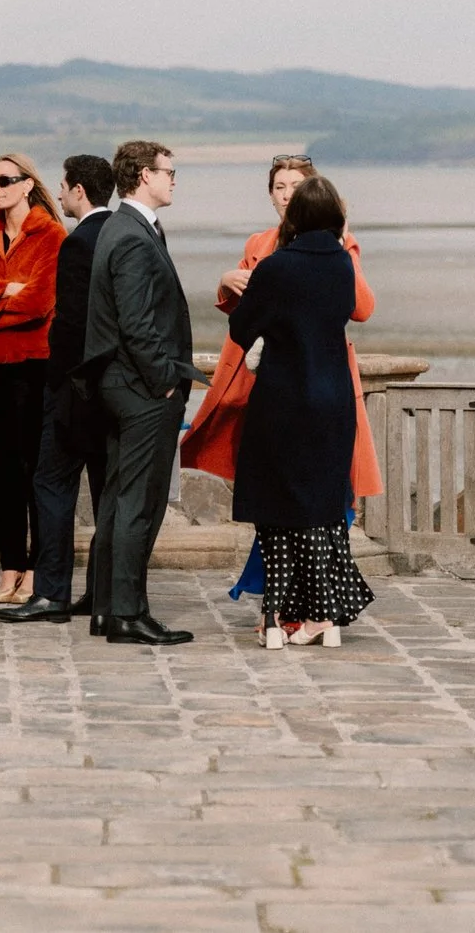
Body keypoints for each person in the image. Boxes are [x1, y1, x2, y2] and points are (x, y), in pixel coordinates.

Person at [183, 153, 381, 611]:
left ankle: (297, 605)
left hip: (306, 380)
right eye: (278, 186)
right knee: (278, 496)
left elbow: (362, 308)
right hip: (262, 382)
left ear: (313, 195)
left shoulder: (339, 245)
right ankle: (298, 605)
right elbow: (243, 313)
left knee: (309, 498)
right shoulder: (259, 242)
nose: (286, 194)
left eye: (295, 186)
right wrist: (225, 282)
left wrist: (346, 243)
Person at [222, 174, 375, 648]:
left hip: (282, 402)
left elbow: (243, 330)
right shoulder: (342, 266)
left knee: (277, 511)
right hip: (333, 402)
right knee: (324, 511)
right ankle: (324, 618)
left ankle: (274, 620)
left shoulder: (275, 267)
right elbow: (357, 310)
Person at [81, 139, 199, 647]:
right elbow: (136, 323)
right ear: (143, 176)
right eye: (168, 171)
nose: (173, 179)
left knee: (116, 500)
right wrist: (166, 380)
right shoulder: (130, 234)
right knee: (138, 503)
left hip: (121, 387)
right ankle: (127, 612)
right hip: (139, 389)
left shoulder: (125, 227)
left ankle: (108, 608)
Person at [0, 154, 115, 626]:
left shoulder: (79, 241)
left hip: (73, 390)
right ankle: (103, 594)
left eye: (64, 188)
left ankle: (51, 593)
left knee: (50, 485)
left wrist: (56, 383)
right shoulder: (128, 233)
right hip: (113, 390)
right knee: (107, 492)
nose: (60, 195)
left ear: (81, 191)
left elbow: (68, 325)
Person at [0, 151, 64, 605]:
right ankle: (10, 566)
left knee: (33, 469)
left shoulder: (52, 236)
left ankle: (37, 570)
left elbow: (41, 302)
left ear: (28, 185)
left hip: (34, 366)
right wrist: (5, 292)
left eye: (5, 180)